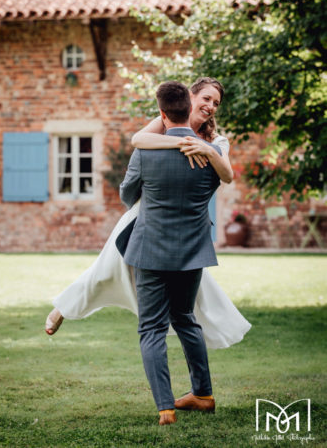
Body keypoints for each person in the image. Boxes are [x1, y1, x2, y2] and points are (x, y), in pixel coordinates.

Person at [45, 77, 250, 351]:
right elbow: (138, 140)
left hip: (187, 225)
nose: (211, 106)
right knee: (104, 270)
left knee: (200, 289)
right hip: (144, 216)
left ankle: (204, 329)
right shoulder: (165, 123)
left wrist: (207, 150)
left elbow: (227, 175)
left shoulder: (216, 141)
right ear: (191, 97)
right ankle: (64, 308)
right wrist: (179, 143)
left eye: (216, 103)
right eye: (206, 99)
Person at [119, 80, 225, 425]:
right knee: (185, 319)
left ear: (162, 114)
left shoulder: (146, 151)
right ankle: (204, 394)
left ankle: (165, 407)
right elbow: (222, 180)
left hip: (150, 249)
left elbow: (126, 196)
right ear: (190, 106)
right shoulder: (210, 152)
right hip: (193, 250)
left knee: (151, 328)